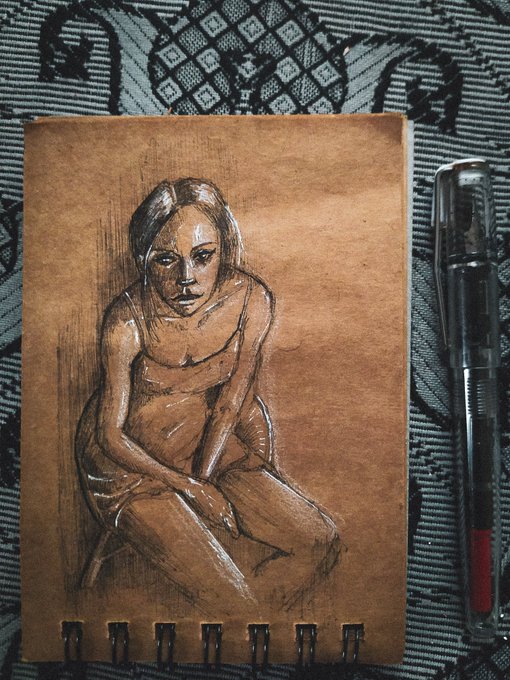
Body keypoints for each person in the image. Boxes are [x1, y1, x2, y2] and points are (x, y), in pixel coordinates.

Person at [76, 178, 340, 616]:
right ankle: (243, 616)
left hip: (207, 444)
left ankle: (257, 622)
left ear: (224, 250)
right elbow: (110, 436)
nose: (186, 278)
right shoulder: (126, 320)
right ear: (144, 259)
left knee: (319, 540)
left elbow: (231, 403)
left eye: (202, 257)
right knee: (229, 599)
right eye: (166, 259)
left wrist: (204, 478)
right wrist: (192, 490)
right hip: (131, 466)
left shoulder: (252, 300)